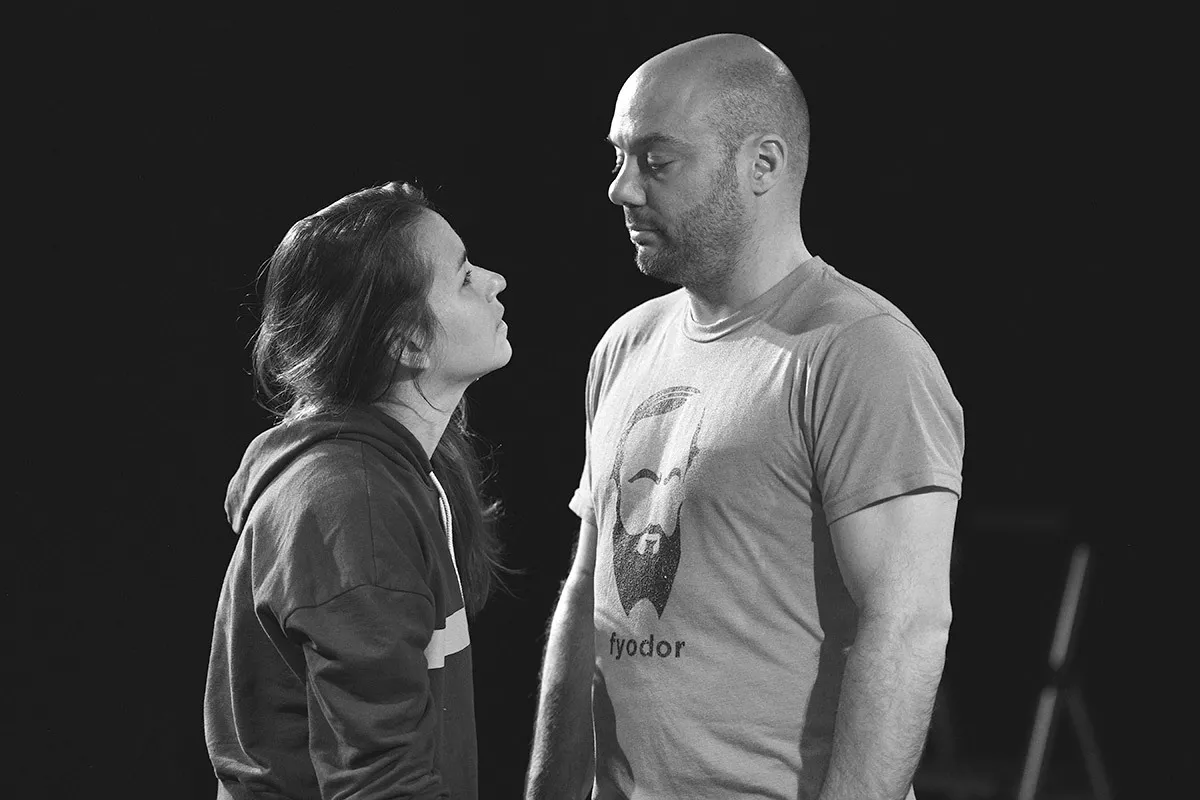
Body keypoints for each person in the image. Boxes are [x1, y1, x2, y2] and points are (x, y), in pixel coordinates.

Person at [526, 33, 965, 800]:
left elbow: (907, 626)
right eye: (618, 157)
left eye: (656, 160)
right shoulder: (626, 345)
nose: (621, 188)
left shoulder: (860, 352)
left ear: (762, 164)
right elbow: (587, 590)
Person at [204, 180, 511, 800]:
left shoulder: (390, 477)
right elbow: (380, 784)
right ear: (406, 342)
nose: (495, 281)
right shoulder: (354, 505)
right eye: (464, 277)